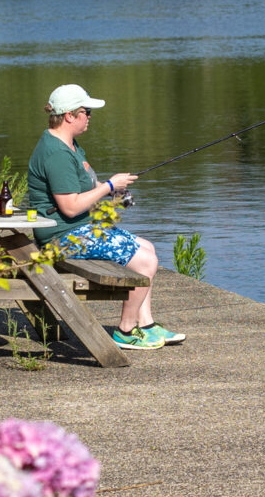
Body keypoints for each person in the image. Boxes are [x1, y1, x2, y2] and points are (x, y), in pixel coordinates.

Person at [25, 84, 184, 351]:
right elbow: (71, 207)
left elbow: (84, 186)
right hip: (61, 238)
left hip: (78, 230)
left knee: (148, 248)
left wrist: (112, 191)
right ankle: (125, 331)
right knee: (145, 262)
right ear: (69, 115)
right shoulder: (56, 153)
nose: (90, 117)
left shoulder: (70, 145)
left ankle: (145, 325)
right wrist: (109, 185)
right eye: (86, 112)